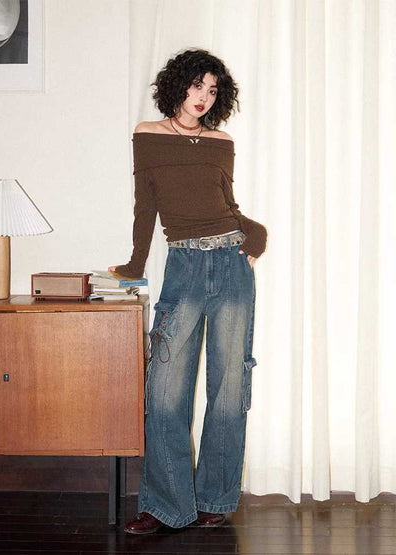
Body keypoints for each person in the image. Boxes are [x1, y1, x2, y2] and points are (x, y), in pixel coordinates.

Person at [108, 48, 267, 534]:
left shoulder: (221, 142)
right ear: (178, 85)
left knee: (229, 387)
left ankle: (215, 497)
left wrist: (255, 235)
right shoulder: (148, 134)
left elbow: (227, 204)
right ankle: (165, 505)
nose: (203, 97)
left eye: (212, 90)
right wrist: (134, 265)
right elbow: (145, 207)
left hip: (232, 264)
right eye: (197, 85)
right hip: (184, 266)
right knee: (165, 389)